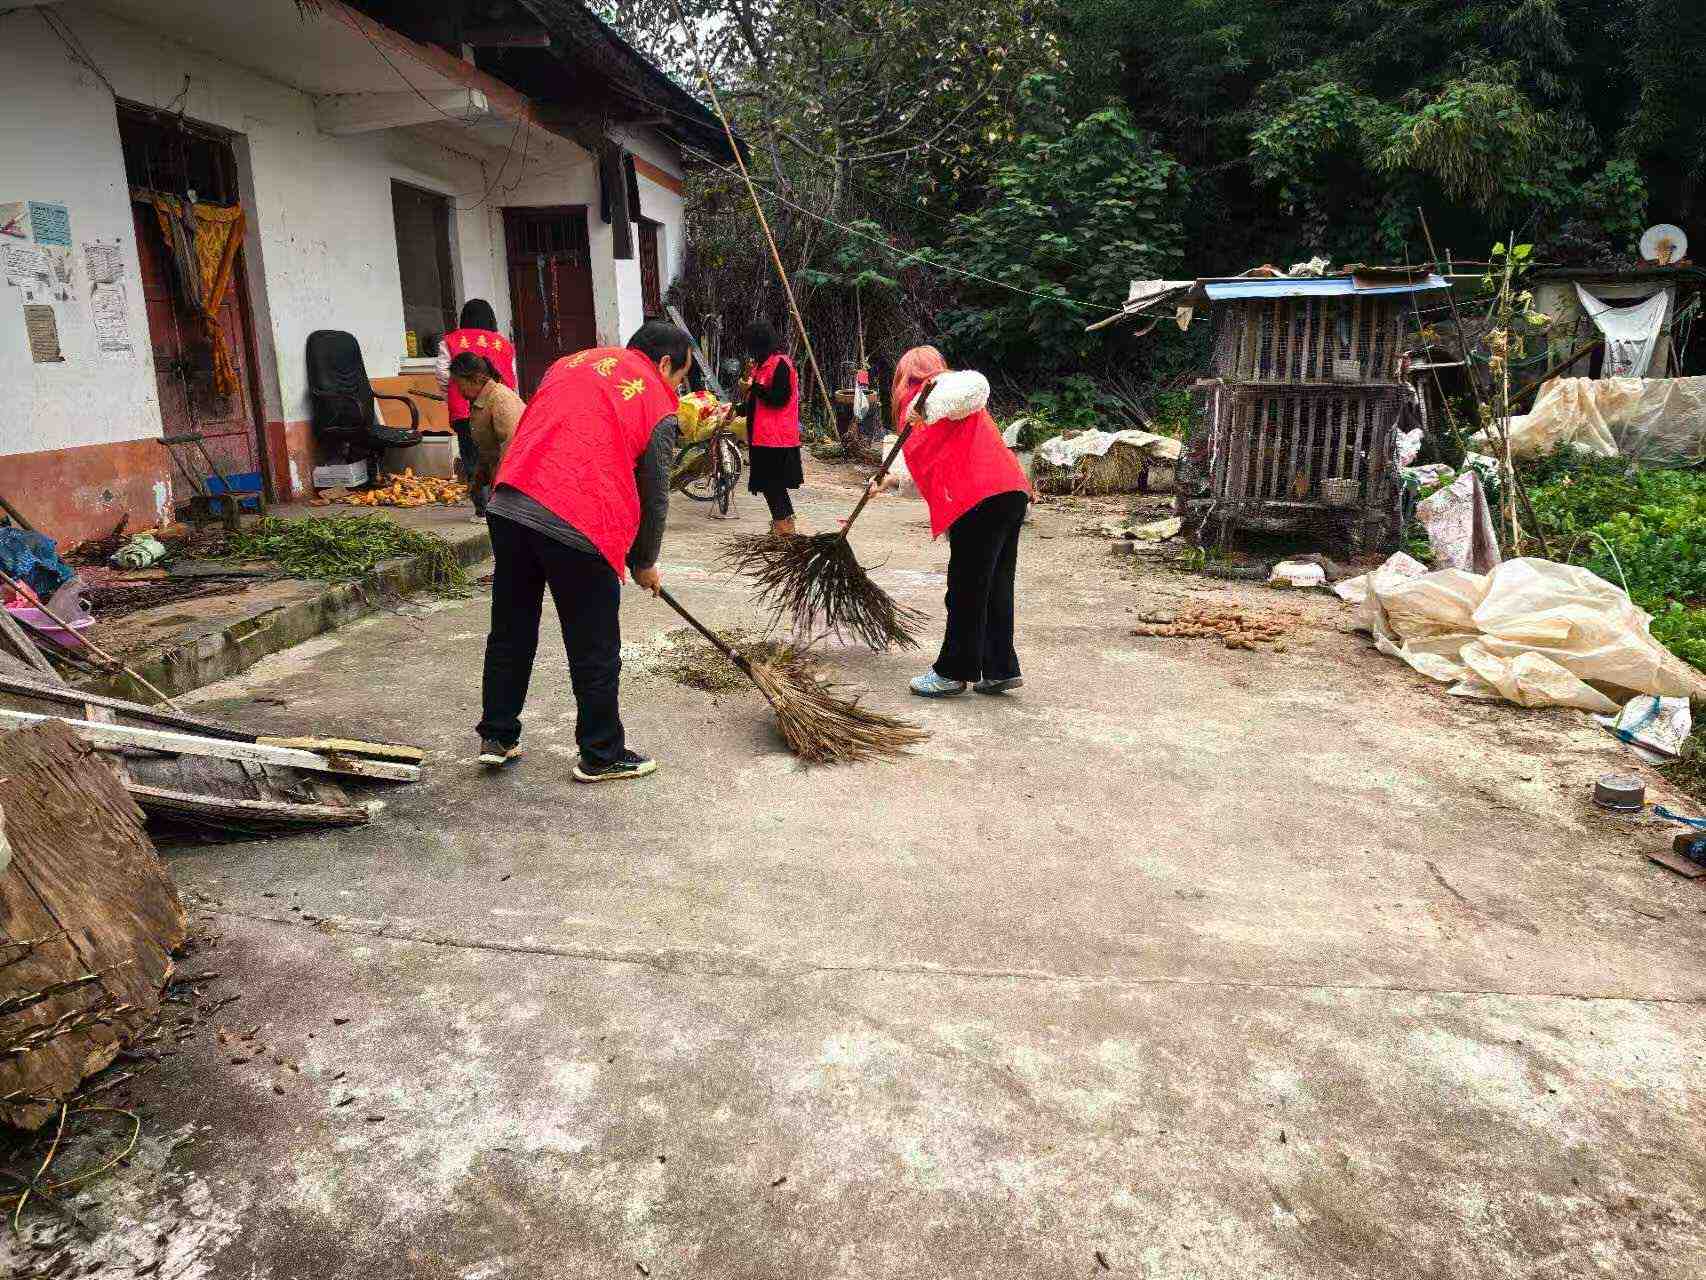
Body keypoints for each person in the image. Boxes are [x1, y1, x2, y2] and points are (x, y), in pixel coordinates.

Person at [476, 321, 692, 781]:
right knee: (593, 642)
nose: (677, 389)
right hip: (578, 516)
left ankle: (497, 735)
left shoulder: (569, 364)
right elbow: (655, 493)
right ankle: (601, 752)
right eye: (679, 378)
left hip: (510, 503)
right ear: (664, 364)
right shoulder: (655, 400)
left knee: (511, 628)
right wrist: (644, 562)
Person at [875, 345, 1032, 698]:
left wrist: (926, 405)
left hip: (980, 499)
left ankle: (952, 671)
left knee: (966, 587)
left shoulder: (941, 391)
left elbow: (977, 385)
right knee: (994, 586)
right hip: (1006, 493)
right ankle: (1000, 669)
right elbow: (932, 469)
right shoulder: (925, 413)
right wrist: (889, 481)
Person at [436, 299, 518, 517]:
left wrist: (452, 397)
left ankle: (483, 509)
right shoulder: (503, 343)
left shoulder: (450, 341)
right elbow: (511, 376)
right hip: (500, 406)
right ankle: (501, 506)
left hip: (465, 411)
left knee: (473, 457)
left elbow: (443, 376)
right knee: (497, 454)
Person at [739, 321, 804, 536]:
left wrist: (753, 388)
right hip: (762, 436)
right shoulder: (761, 365)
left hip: (776, 439)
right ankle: (784, 525)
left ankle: (784, 530)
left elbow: (778, 399)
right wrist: (738, 408)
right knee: (771, 486)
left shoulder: (781, 364)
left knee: (772, 485)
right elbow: (756, 401)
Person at [447, 351, 526, 517]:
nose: (459, 391)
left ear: (475, 379)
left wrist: (499, 490)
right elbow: (487, 449)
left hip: (517, 481)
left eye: (459, 384)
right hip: (503, 481)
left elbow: (511, 448)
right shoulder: (482, 401)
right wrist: (479, 479)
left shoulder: (501, 399)